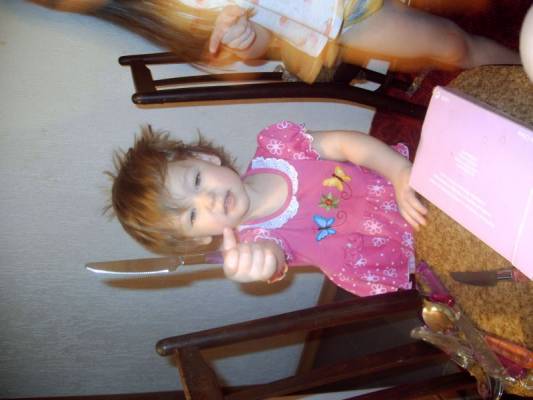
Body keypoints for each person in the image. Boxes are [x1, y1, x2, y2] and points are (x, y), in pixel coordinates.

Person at [108, 121, 428, 297]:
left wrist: (398, 171)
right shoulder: (258, 240)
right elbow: (270, 256)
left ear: (205, 158)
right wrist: (254, 263)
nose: (208, 200)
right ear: (199, 239)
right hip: (393, 249)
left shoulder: (279, 146)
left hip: (399, 184)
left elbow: (345, 143)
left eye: (196, 180)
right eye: (192, 215)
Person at [31, 0, 520, 83]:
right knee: (453, 46)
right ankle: (523, 68)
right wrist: (247, 38)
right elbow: (265, 41)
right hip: (338, 16)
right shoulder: (174, 17)